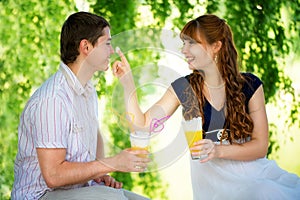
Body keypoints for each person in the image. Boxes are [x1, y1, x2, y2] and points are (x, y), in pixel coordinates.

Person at [112, 14, 300, 199]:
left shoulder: (250, 85)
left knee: (267, 192)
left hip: (255, 177)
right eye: (184, 43)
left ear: (216, 46)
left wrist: (218, 150)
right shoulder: (183, 88)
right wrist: (128, 84)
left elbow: (260, 147)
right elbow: (143, 126)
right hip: (214, 187)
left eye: (192, 43)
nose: (184, 50)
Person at [11, 11, 150, 200]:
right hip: (41, 195)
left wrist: (99, 173)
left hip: (76, 190)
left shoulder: (87, 90)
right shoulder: (53, 99)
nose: (111, 51)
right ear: (86, 46)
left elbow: (94, 134)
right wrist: (112, 163)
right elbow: (53, 176)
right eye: (107, 43)